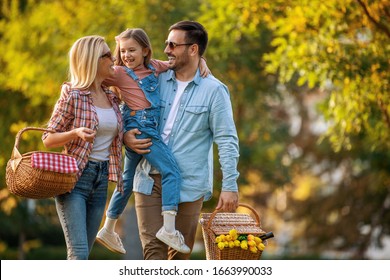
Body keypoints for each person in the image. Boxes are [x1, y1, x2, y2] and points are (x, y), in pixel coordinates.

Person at [125, 21, 240, 260]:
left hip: (189, 184)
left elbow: (227, 140)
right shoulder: (154, 78)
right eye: (167, 43)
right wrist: (126, 136)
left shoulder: (214, 91)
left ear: (193, 49)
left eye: (173, 45)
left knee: (178, 257)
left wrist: (230, 185)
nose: (166, 49)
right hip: (149, 178)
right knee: (153, 252)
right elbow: (124, 107)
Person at [96, 28, 209, 255]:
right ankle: (168, 228)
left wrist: (202, 62)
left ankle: (108, 228)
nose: (127, 55)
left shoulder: (155, 67)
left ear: (145, 50)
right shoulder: (118, 72)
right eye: (123, 50)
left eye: (132, 50)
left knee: (126, 180)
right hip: (142, 128)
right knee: (172, 171)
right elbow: (93, 76)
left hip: (144, 127)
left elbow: (180, 63)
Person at [42, 35, 123, 260]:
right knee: (78, 254)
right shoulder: (74, 94)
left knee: (85, 254)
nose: (113, 58)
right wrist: (75, 133)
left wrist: (200, 62)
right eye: (106, 55)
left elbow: (147, 68)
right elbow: (48, 138)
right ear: (91, 61)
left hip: (101, 179)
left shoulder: (112, 96)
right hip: (74, 179)